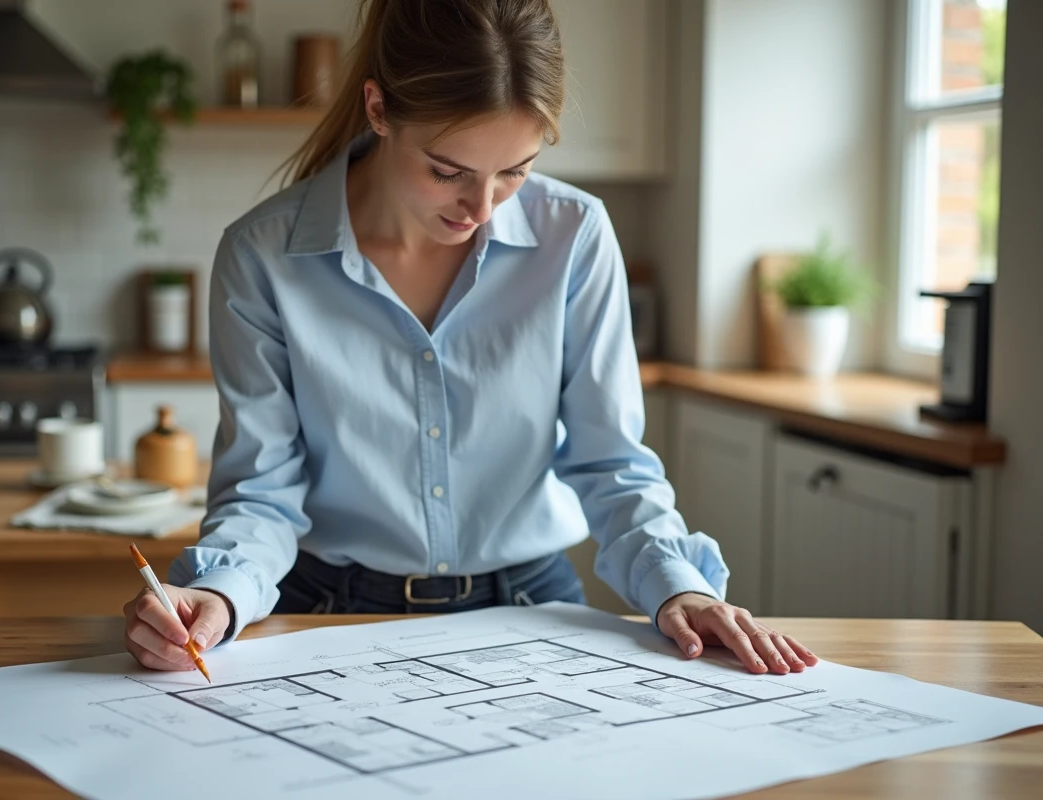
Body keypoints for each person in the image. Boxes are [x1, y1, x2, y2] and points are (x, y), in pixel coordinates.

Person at [124, 0, 817, 677]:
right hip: (327, 611)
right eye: (448, 172)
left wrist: (680, 585)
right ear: (378, 108)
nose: (482, 209)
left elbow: (611, 462)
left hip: (533, 602)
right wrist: (218, 595)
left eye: (516, 170)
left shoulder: (574, 235)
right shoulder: (263, 254)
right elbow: (261, 489)